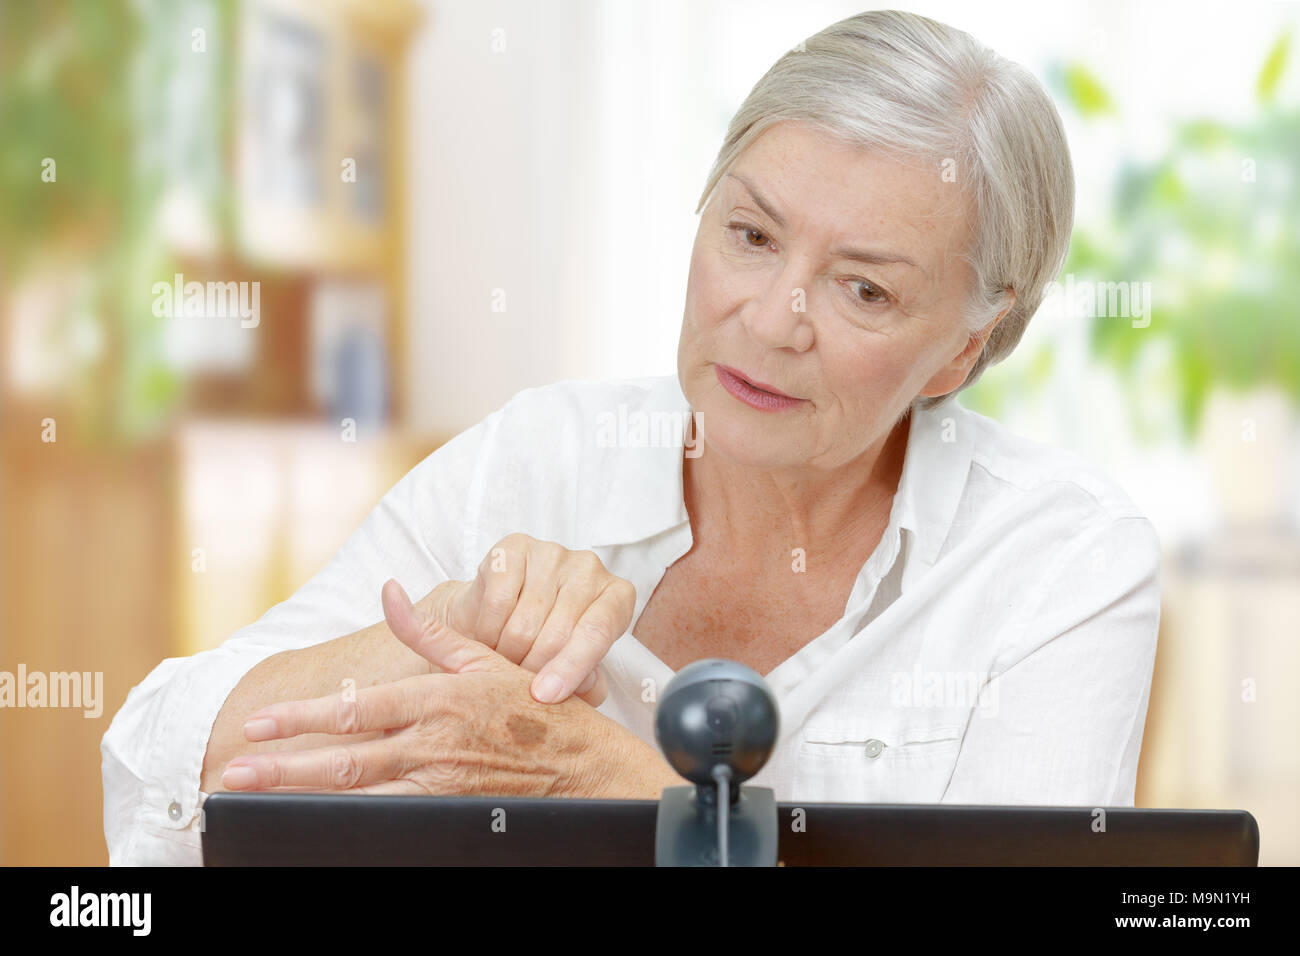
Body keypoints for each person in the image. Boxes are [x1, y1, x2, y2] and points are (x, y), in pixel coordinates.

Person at [102, 9, 1160, 865]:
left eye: (863, 288)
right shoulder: (535, 457)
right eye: (750, 234)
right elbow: (160, 756)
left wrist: (605, 783)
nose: (769, 316)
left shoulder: (1059, 559)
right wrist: (435, 625)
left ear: (960, 350)